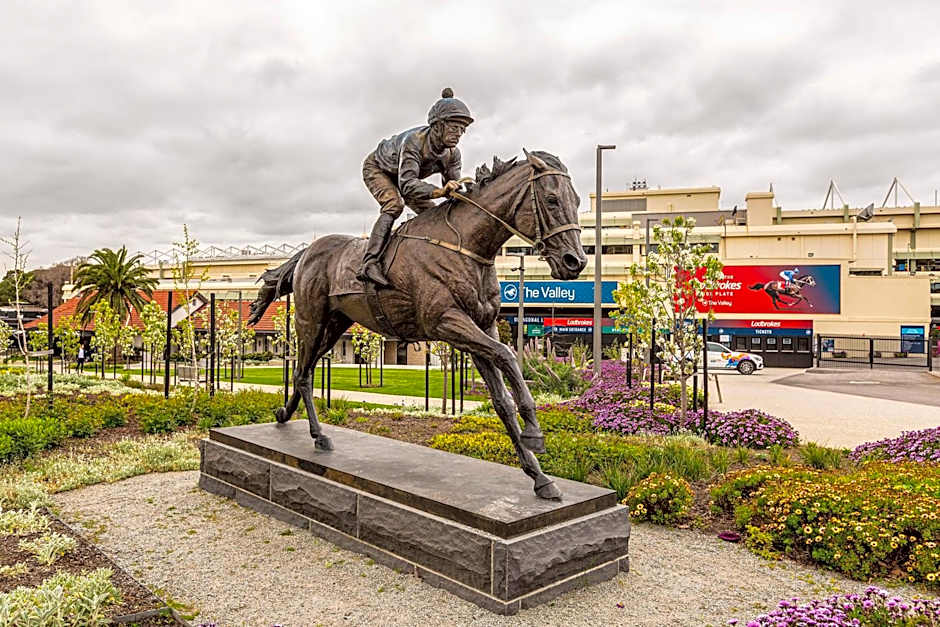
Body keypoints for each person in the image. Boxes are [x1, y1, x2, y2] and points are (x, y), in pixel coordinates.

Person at [357, 87, 474, 287]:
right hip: (379, 169)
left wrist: (467, 192)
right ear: (438, 126)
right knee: (394, 205)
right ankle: (369, 263)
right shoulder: (414, 142)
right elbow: (408, 185)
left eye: (462, 129)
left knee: (434, 216)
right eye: (454, 127)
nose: (459, 134)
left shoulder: (453, 154)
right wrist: (439, 192)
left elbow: (452, 191)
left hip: (409, 179)